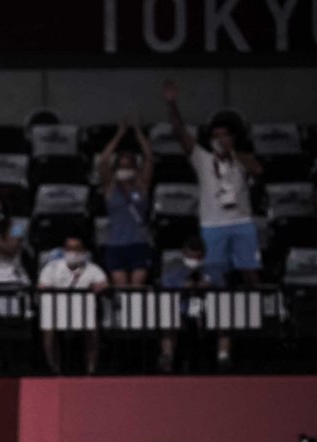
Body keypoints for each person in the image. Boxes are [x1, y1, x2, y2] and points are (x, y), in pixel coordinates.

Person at [165, 80, 263, 284]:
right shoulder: (203, 159)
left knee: (250, 270)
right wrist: (172, 104)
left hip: (241, 222)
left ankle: (256, 311)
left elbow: (258, 169)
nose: (220, 139)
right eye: (216, 136)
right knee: (213, 272)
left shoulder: (241, 159)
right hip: (213, 224)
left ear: (232, 138)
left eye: (224, 136)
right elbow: (180, 133)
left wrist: (232, 153)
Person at [37, 236, 109, 374]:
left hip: (83, 311)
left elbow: (104, 284)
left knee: (92, 331)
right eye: (70, 249)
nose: (73, 252)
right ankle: (54, 370)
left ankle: (91, 370)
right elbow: (42, 286)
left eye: (77, 249)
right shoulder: (52, 267)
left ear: (83, 251)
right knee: (48, 331)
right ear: (64, 250)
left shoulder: (92, 268)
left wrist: (98, 287)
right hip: (57, 311)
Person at [158, 236, 232, 371]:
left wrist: (208, 286)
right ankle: (167, 357)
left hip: (208, 310)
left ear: (203, 255)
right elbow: (165, 289)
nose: (193, 261)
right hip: (181, 310)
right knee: (168, 324)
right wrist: (183, 287)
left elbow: (223, 289)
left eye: (197, 257)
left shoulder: (213, 271)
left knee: (224, 321)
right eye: (190, 256)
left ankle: (223, 357)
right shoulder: (174, 271)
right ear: (184, 253)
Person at [98, 119, 156, 286]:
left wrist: (138, 132)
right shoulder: (110, 188)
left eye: (129, 166)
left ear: (134, 169)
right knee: (121, 288)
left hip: (139, 242)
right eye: (121, 166)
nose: (125, 170)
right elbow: (103, 161)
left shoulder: (141, 186)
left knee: (137, 288)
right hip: (115, 244)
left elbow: (149, 159)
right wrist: (119, 134)